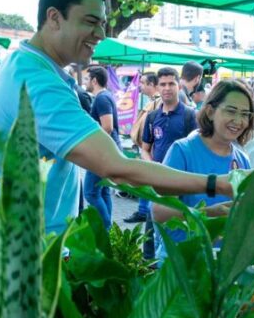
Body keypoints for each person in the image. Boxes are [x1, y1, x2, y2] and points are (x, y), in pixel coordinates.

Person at [0, 0, 234, 236]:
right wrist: (218, 183)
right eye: (91, 22)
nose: (101, 34)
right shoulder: (35, 82)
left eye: (102, 23)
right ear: (54, 17)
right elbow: (116, 167)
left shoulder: (26, 67)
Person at [152, 79, 254, 262]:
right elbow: (159, 212)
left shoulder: (242, 159)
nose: (238, 121)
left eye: (245, 114)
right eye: (231, 111)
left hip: (222, 265)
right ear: (210, 111)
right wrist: (210, 212)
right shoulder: (182, 151)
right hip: (182, 265)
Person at [136, 67, 199, 257]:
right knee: (150, 232)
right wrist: (153, 167)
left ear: (178, 85)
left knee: (177, 232)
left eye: (171, 83)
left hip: (181, 185)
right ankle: (151, 268)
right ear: (157, 87)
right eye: (162, 84)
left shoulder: (190, 116)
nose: (167, 88)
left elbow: (195, 150)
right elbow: (145, 148)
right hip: (157, 185)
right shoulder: (152, 116)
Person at [82, 65, 120, 230]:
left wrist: (94, 146)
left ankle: (106, 229)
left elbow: (108, 127)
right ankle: (108, 230)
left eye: (86, 79)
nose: (85, 83)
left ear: (94, 80)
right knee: (102, 191)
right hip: (107, 151)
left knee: (90, 192)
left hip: (102, 153)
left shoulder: (102, 98)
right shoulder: (106, 96)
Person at [124, 71, 161, 224]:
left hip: (152, 150)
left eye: (143, 83)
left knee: (148, 182)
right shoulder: (152, 102)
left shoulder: (158, 103)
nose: (140, 86)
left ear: (152, 85)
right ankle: (143, 211)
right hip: (147, 148)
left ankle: (144, 211)